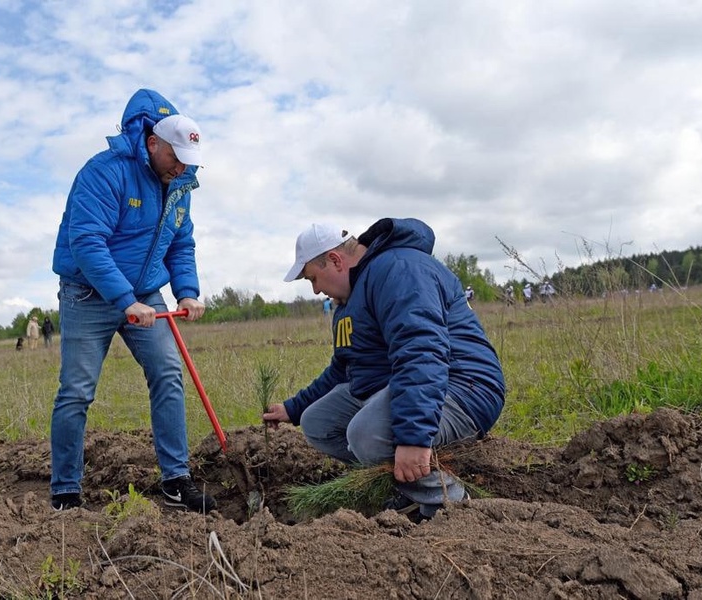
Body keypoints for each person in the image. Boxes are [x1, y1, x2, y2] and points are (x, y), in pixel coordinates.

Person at [263, 218, 505, 522]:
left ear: (335, 261)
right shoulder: (348, 303)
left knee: (366, 435)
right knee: (317, 422)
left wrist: (414, 438)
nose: (315, 291)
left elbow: (421, 352)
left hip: (461, 386)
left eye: (313, 278)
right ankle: (403, 486)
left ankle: (450, 502)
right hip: (410, 383)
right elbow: (343, 369)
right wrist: (293, 408)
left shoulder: (399, 269)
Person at [49, 88, 215, 513]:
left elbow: (181, 243)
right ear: (152, 142)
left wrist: (188, 291)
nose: (181, 168)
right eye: (175, 157)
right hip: (88, 294)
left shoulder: (179, 185)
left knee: (168, 374)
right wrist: (124, 300)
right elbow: (86, 241)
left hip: (145, 294)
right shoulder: (104, 173)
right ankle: (65, 490)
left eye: (188, 162)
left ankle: (176, 480)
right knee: (77, 391)